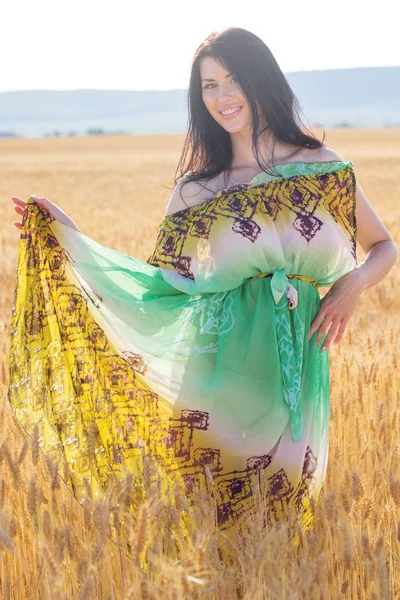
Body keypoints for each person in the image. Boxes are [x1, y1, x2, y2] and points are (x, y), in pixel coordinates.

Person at [8, 28, 398, 539]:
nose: (221, 96)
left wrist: (352, 285)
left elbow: (384, 247)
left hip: (295, 371)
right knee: (212, 527)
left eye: (233, 80)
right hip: (213, 374)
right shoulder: (197, 190)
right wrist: (74, 240)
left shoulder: (321, 169)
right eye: (208, 86)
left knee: (283, 528)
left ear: (263, 80)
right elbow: (158, 289)